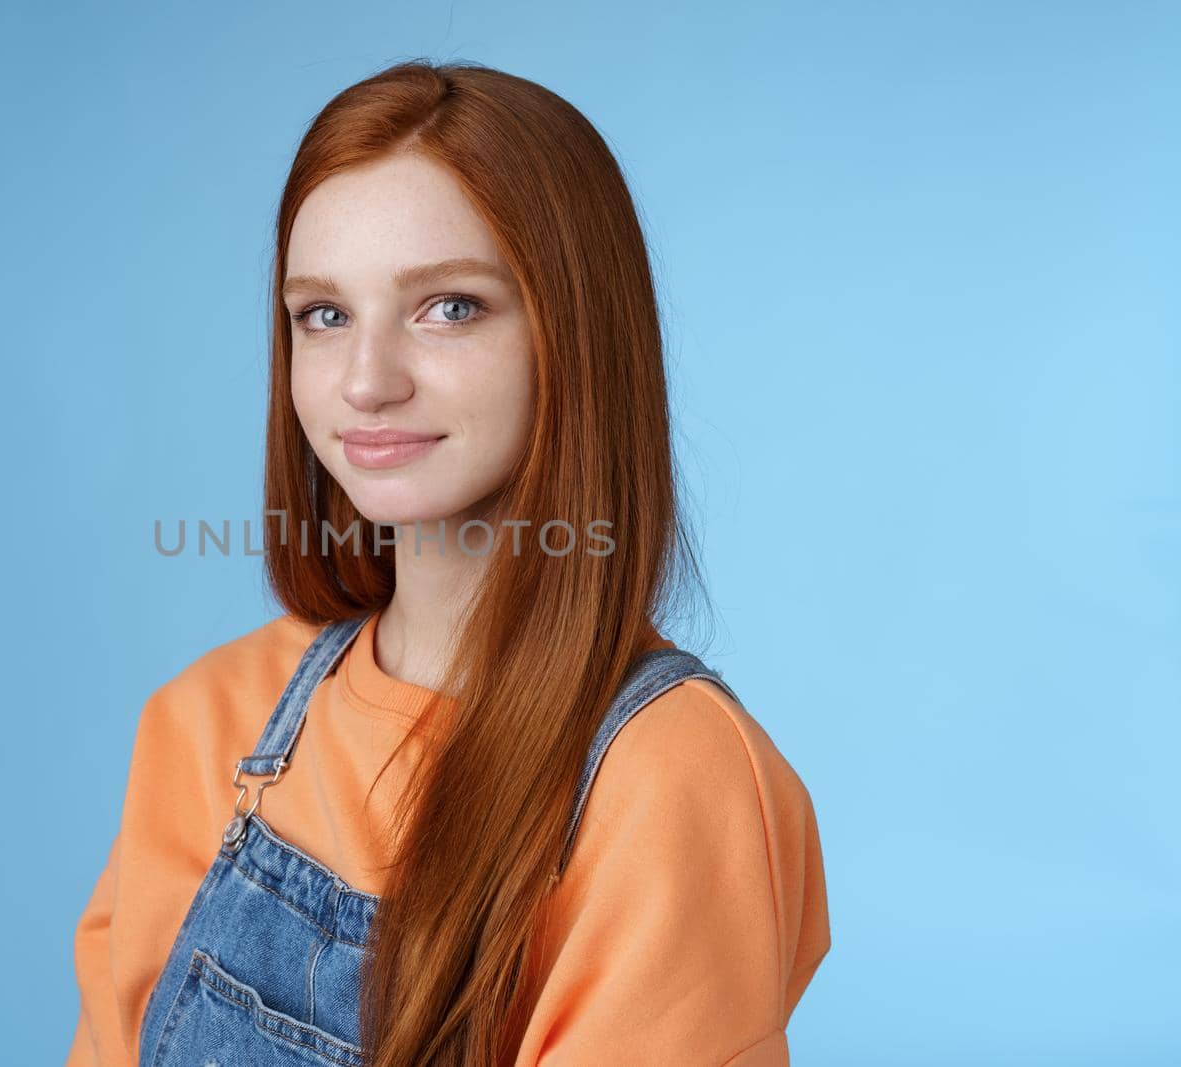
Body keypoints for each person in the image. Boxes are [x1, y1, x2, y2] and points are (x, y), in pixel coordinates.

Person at [66, 58, 830, 1066]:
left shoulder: (668, 779)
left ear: (571, 335)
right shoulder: (208, 718)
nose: (367, 381)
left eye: (450, 307)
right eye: (323, 315)